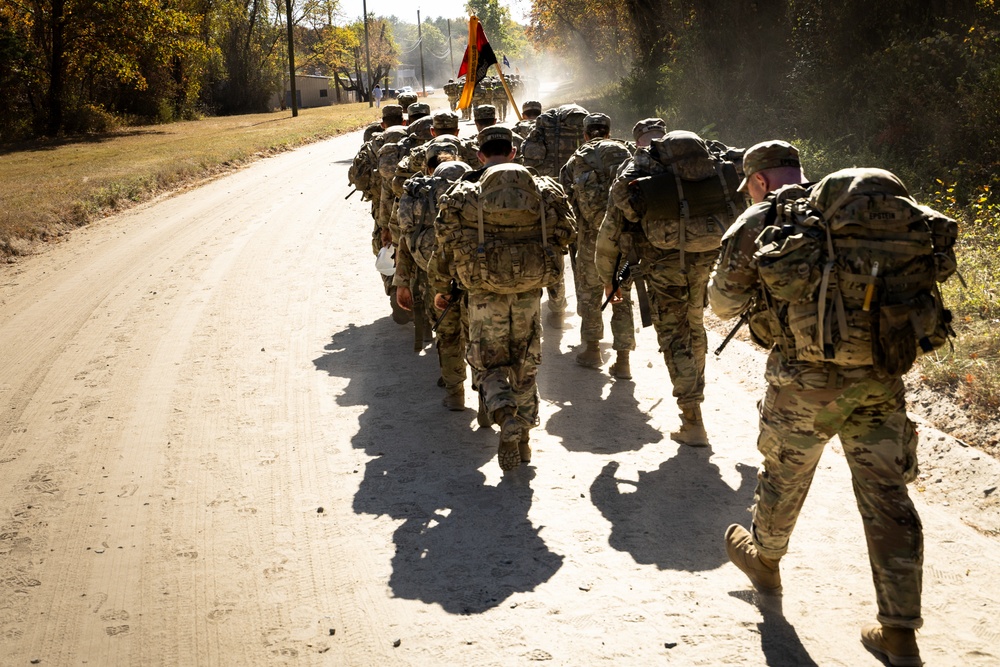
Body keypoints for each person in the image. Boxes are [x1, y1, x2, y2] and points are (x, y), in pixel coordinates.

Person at [708, 142, 958, 667]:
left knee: (784, 475)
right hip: (881, 379)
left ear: (756, 180)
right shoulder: (887, 221)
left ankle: (766, 562)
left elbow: (721, 302)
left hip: (805, 383)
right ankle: (899, 632)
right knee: (888, 498)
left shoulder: (769, 219)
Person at [434, 126, 577, 470]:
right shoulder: (543, 190)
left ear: (480, 155)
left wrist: (441, 286)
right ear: (513, 152)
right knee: (525, 365)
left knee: (488, 363)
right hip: (529, 291)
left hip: (483, 293)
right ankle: (524, 442)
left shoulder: (464, 192)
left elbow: (444, 241)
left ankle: (502, 411)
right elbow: (568, 232)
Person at [597, 127, 746, 445]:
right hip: (706, 260)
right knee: (695, 326)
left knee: (674, 337)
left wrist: (608, 280)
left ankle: (692, 418)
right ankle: (696, 392)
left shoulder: (641, 176)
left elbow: (611, 231)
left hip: (662, 266)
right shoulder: (716, 172)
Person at [559, 113, 635, 377]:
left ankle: (592, 349)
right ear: (609, 132)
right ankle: (623, 360)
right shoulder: (626, 153)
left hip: (591, 239)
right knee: (620, 296)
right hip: (623, 239)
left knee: (590, 294)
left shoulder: (575, 160)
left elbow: (567, 202)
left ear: (585, 134)